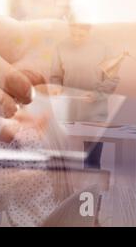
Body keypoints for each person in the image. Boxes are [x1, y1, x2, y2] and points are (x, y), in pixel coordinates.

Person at [50, 22, 119, 168]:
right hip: (68, 111)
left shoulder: (104, 48)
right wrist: (56, 87)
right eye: (73, 34)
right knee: (64, 159)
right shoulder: (60, 47)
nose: (76, 38)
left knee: (91, 161)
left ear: (90, 30)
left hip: (95, 111)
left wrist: (97, 94)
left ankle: (92, 190)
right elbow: (55, 76)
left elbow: (113, 79)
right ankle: (65, 190)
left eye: (81, 35)